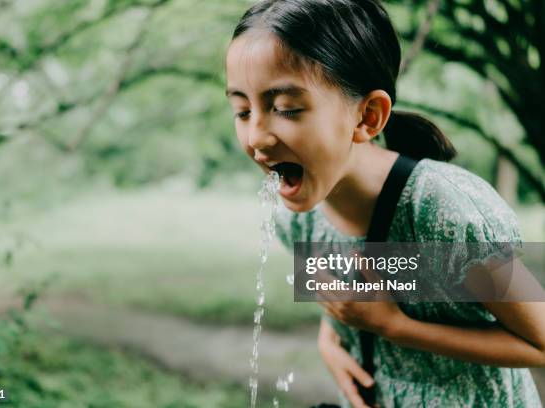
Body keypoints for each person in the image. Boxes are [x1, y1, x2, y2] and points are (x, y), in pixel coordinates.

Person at [224, 0, 545, 407]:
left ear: (367, 117)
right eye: (242, 110)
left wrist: (394, 326)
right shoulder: (298, 218)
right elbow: (342, 304)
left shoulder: (445, 213)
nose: (256, 137)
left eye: (286, 108)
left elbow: (540, 342)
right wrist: (329, 342)